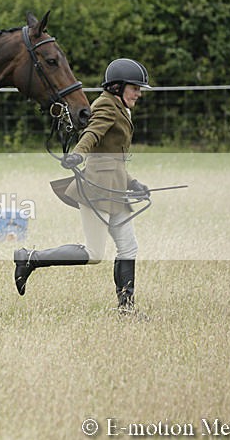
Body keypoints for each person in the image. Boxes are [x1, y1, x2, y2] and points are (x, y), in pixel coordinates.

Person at [13, 58, 151, 313]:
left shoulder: (120, 108)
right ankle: (30, 258)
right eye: (135, 88)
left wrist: (134, 183)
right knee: (94, 252)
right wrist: (78, 153)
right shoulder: (106, 107)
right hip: (97, 188)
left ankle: (126, 309)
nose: (139, 93)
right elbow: (91, 134)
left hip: (115, 187)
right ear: (118, 87)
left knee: (128, 246)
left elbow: (113, 157)